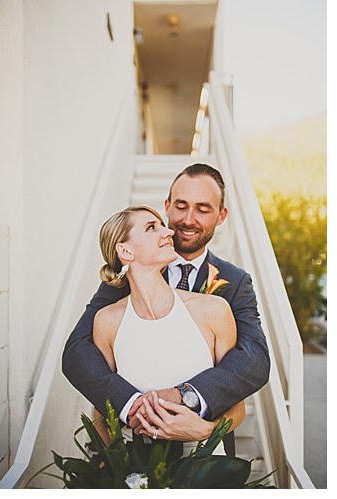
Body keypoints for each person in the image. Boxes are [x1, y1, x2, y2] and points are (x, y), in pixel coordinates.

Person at [62, 163, 270, 455]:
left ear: (221, 216)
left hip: (204, 454)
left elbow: (254, 361)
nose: (187, 219)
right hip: (135, 456)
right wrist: (131, 404)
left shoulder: (233, 284)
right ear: (167, 205)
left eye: (203, 209)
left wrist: (186, 398)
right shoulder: (122, 283)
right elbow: (78, 352)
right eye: (181, 206)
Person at [91, 205, 245, 452]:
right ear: (125, 250)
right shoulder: (106, 322)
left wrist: (206, 431)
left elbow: (238, 407)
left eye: (163, 225)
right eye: (152, 227)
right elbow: (101, 409)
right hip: (136, 476)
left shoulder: (214, 310)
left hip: (205, 473)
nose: (169, 232)